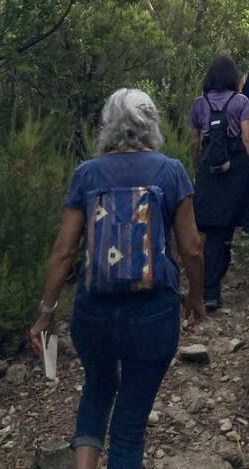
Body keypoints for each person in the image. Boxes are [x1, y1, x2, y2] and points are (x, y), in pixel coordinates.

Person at [29, 88, 205, 469]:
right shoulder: (170, 171)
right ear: (151, 124)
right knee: (128, 423)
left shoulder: (86, 174)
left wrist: (46, 312)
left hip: (94, 312)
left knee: (96, 391)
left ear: (108, 126)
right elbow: (191, 248)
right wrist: (195, 296)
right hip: (153, 313)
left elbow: (63, 251)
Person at [189, 54, 249, 310]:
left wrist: (198, 167)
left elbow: (194, 141)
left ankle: (209, 290)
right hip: (237, 169)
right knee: (226, 230)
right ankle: (212, 288)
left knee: (214, 232)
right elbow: (247, 139)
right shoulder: (241, 101)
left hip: (210, 167)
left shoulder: (199, 104)